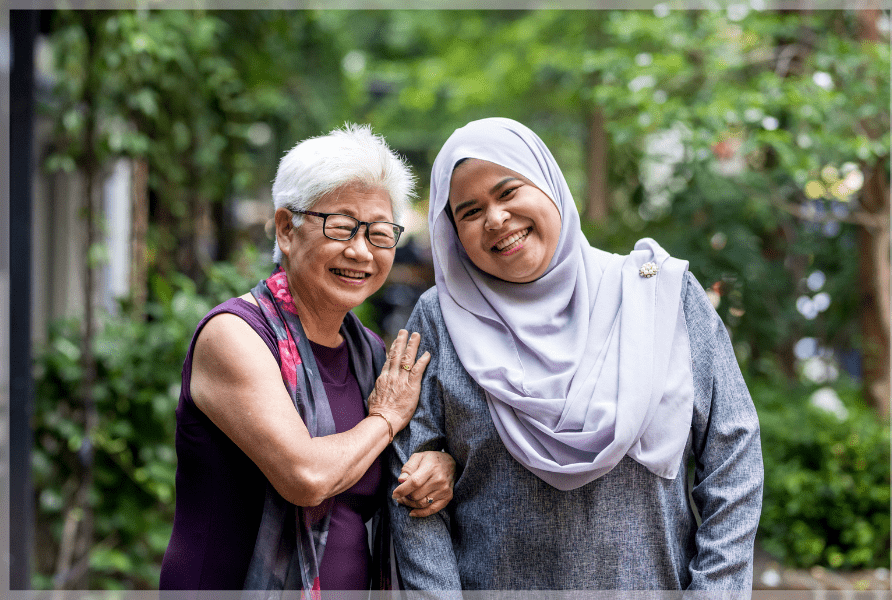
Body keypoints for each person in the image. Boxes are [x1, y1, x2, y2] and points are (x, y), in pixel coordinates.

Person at [389, 117, 764, 590]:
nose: (496, 219)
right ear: (454, 234)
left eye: (508, 192)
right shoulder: (440, 320)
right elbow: (410, 484)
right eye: (469, 211)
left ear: (549, 185)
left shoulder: (658, 296)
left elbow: (734, 459)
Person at [159, 124, 456, 594]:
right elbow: (307, 475)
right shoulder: (235, 335)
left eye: (380, 233)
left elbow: (382, 473)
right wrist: (386, 419)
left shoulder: (370, 354)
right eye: (341, 226)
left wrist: (437, 468)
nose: (361, 251)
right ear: (286, 228)